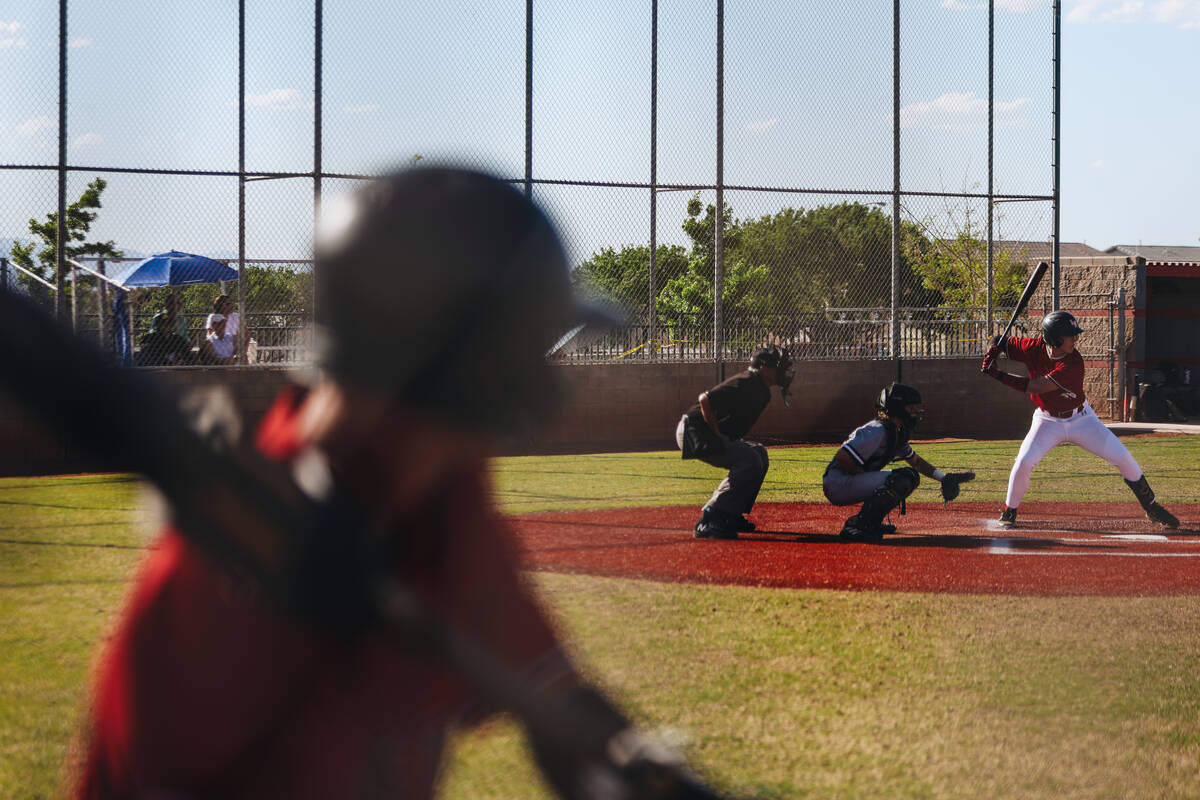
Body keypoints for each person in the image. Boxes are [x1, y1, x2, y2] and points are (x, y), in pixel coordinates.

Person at [71, 167, 704, 800]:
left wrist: (631, 766)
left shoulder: (442, 494)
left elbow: (548, 690)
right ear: (463, 375)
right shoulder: (223, 579)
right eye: (523, 353)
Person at [982, 310, 1179, 529]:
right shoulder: (1032, 348)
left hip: (1082, 419)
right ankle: (1010, 511)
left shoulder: (1074, 362)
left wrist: (998, 374)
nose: (1075, 339)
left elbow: (1036, 385)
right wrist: (993, 348)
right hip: (1047, 421)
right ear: (1055, 338)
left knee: (1122, 456)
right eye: (1069, 335)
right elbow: (999, 340)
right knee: (1024, 462)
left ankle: (1151, 506)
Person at [822, 383, 975, 542]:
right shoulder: (878, 429)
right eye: (911, 409)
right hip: (838, 482)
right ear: (898, 408)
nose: (915, 414)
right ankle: (859, 525)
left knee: (910, 476)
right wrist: (868, 478)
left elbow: (916, 462)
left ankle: (870, 522)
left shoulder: (895, 431)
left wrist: (944, 478)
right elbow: (843, 457)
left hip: (846, 480)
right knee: (901, 479)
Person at [676, 345, 794, 540]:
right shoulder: (747, 381)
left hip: (702, 431)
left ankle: (731, 514)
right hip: (694, 430)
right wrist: (716, 433)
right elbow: (705, 399)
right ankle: (710, 517)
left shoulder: (762, 390)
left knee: (759, 454)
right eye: (778, 367)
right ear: (764, 368)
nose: (782, 372)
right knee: (750, 460)